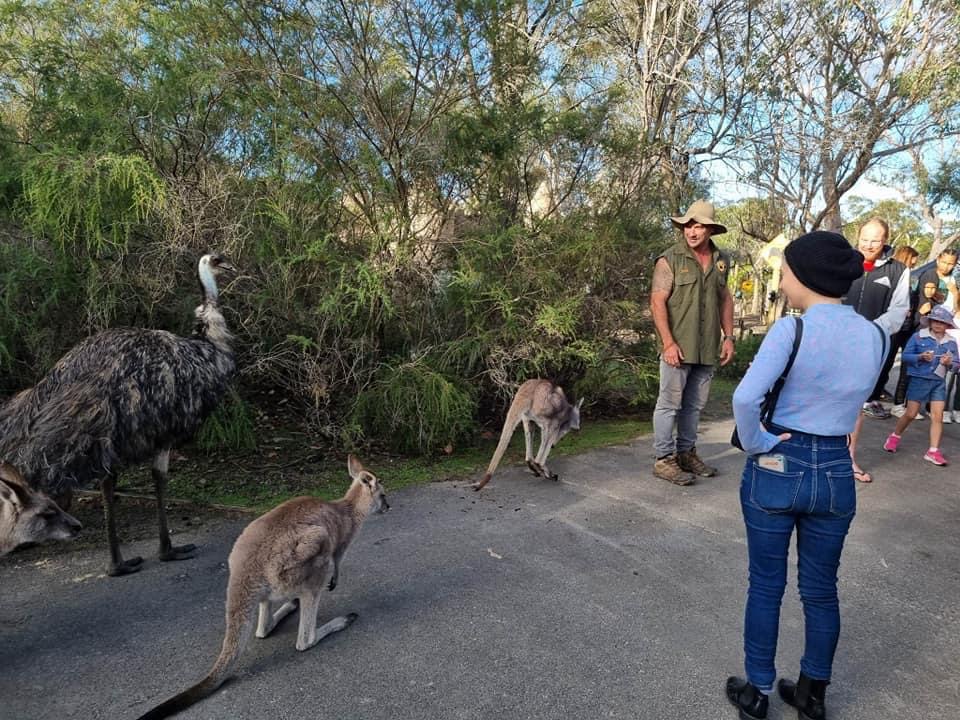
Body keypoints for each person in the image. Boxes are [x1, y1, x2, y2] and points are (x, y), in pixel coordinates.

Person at [725, 231, 887, 720]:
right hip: (837, 465)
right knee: (820, 589)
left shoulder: (791, 330)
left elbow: (745, 399)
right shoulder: (877, 335)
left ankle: (757, 690)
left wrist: (757, 444)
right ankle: (812, 695)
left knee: (766, 584)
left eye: (786, 270)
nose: (783, 278)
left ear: (803, 275)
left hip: (781, 460)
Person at [649, 199, 735, 485]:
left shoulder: (721, 260)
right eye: (688, 225)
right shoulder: (669, 259)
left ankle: (686, 454)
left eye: (698, 226)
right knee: (669, 403)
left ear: (710, 229)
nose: (692, 231)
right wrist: (668, 343)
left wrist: (729, 337)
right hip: (679, 345)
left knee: (694, 406)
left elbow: (725, 299)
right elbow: (657, 301)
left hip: (707, 346)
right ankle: (664, 460)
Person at [842, 217, 910, 483]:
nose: (868, 245)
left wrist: (870, 330)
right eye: (864, 238)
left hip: (869, 345)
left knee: (855, 405)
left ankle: (848, 459)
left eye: (875, 240)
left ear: (885, 241)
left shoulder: (898, 270)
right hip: (835, 340)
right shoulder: (844, 261)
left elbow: (899, 310)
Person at [882, 304, 957, 465]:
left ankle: (933, 451)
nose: (938, 324)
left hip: (938, 382)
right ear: (929, 322)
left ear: (948, 325)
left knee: (937, 416)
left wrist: (950, 363)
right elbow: (906, 356)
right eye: (935, 321)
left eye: (942, 322)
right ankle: (895, 436)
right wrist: (920, 357)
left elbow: (957, 365)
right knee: (910, 413)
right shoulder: (918, 336)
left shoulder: (951, 342)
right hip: (918, 379)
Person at [886, 246, 920, 417]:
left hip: (908, 328)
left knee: (907, 365)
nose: (916, 262)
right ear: (907, 257)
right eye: (914, 258)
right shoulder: (896, 275)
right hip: (894, 327)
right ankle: (873, 397)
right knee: (886, 362)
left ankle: (899, 403)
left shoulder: (913, 278)